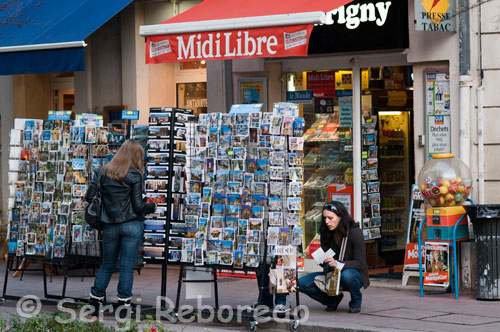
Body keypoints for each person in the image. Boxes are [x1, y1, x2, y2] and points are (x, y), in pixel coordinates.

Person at [85, 139, 156, 319]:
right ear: (135, 156)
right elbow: (139, 207)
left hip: (109, 226)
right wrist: (153, 207)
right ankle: (123, 305)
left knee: (107, 264)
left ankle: (95, 302)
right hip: (131, 226)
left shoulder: (101, 172)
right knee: (126, 266)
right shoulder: (134, 175)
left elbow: (89, 197)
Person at [298, 201, 370, 313]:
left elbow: (360, 263)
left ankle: (355, 301)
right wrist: (324, 260)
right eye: (325, 218)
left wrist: (338, 263)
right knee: (300, 283)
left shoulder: (355, 232)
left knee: (347, 275)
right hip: (332, 274)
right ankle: (331, 300)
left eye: (330, 218)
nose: (327, 221)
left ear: (340, 217)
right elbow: (327, 258)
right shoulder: (326, 232)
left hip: (353, 274)